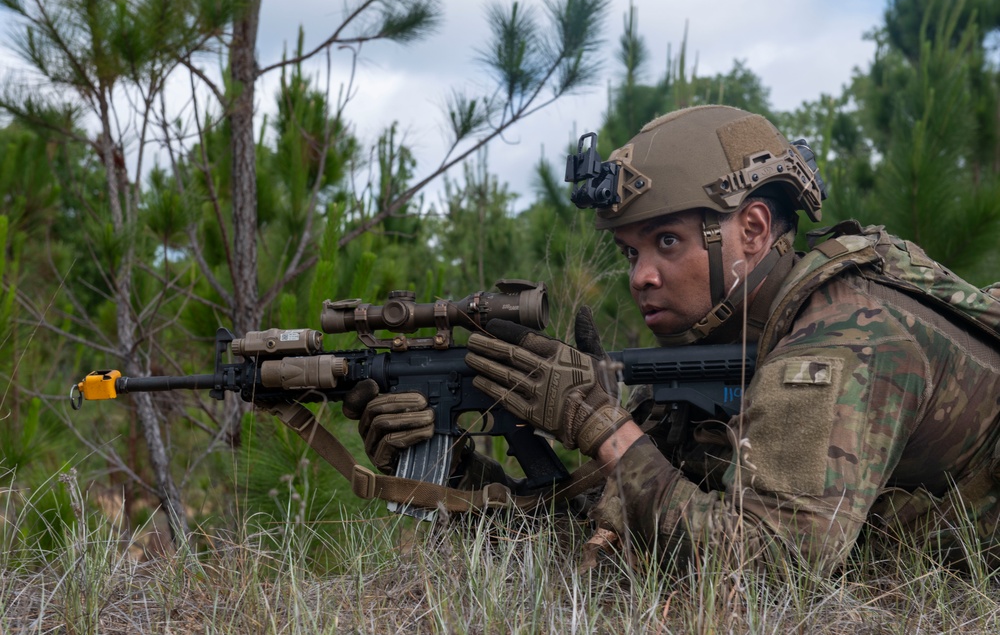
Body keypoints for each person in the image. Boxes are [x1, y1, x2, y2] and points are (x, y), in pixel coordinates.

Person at [346, 105, 1000, 574]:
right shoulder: (730, 346)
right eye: (631, 253)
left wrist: (601, 428)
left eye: (667, 242)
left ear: (751, 229)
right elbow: (610, 538)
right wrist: (450, 470)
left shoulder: (844, 339)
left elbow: (770, 573)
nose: (642, 276)